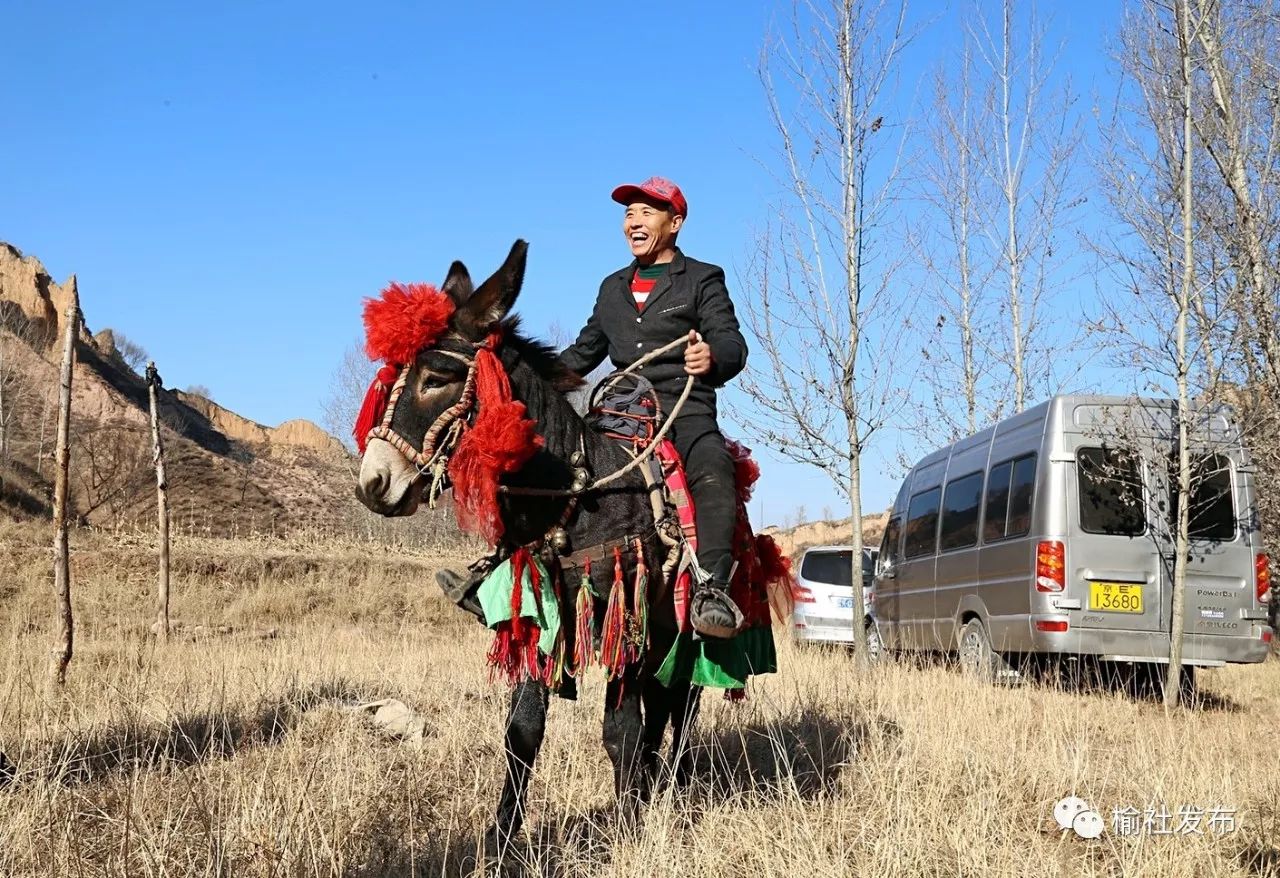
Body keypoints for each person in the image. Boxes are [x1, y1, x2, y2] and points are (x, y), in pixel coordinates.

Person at [558, 176, 748, 639]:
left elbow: (731, 341)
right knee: (553, 466)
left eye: (646, 212)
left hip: (685, 413)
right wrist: (524, 379)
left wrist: (713, 357)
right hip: (619, 418)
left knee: (713, 469)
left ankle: (711, 591)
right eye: (628, 213)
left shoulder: (703, 279)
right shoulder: (610, 289)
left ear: (675, 222)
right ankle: (505, 573)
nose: (634, 221)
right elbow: (582, 355)